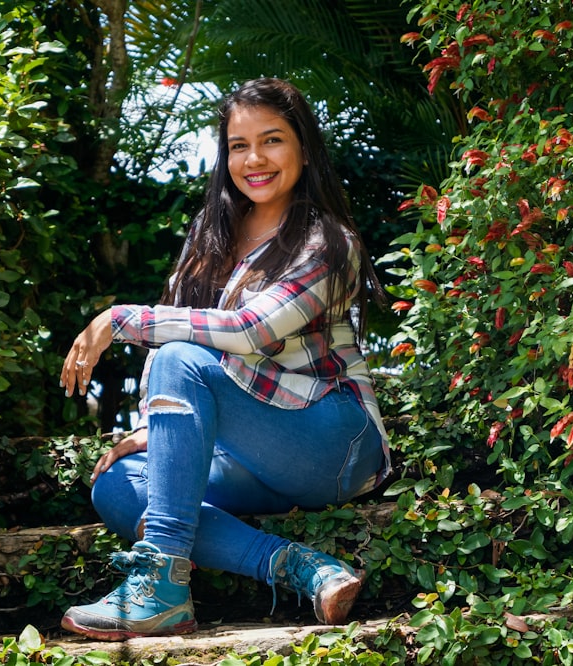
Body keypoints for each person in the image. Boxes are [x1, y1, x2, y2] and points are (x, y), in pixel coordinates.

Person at [57, 77, 390, 641]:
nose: (254, 159)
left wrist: (119, 319)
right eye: (239, 145)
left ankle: (160, 586)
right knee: (117, 485)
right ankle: (301, 568)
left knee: (183, 354)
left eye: (272, 140)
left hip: (333, 441)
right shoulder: (211, 237)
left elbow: (250, 330)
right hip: (250, 452)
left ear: (304, 150)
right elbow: (180, 354)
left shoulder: (328, 242)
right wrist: (159, 425)